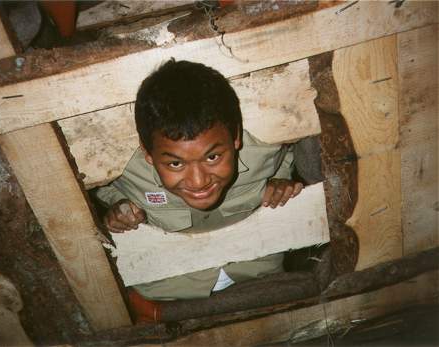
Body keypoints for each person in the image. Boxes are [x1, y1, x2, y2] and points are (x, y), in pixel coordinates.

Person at [96, 59, 303, 321]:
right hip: (167, 292)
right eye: (175, 163)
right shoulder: (126, 170)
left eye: (213, 158)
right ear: (148, 152)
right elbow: (99, 187)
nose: (198, 181)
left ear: (236, 136)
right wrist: (118, 206)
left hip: (258, 272)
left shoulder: (265, 150)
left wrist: (282, 180)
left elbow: (287, 152)